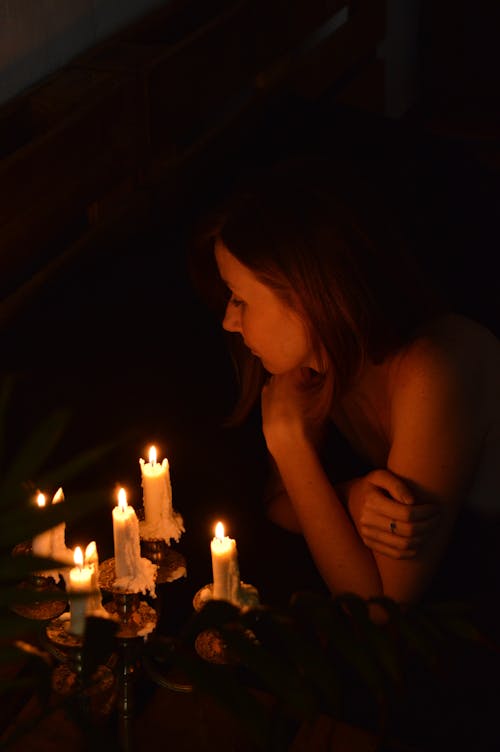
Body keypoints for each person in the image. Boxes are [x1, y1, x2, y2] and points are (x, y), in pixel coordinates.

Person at [190, 158, 500, 610]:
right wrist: (351, 498)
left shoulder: (435, 369)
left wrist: (289, 442)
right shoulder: (320, 371)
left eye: (240, 298)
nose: (228, 321)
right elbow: (279, 502)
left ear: (304, 294)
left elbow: (379, 610)